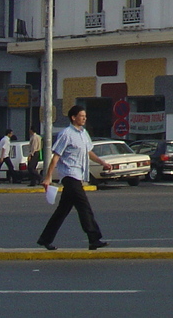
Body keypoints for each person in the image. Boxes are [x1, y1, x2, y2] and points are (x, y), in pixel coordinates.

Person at [37, 105, 109, 251]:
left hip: (78, 175)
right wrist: (48, 177)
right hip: (69, 176)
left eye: (85, 116)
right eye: (82, 116)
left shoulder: (84, 133)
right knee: (84, 206)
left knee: (62, 211)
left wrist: (102, 162)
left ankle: (45, 239)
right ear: (73, 117)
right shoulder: (66, 134)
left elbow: (89, 152)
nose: (84, 118)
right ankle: (93, 238)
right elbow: (56, 156)